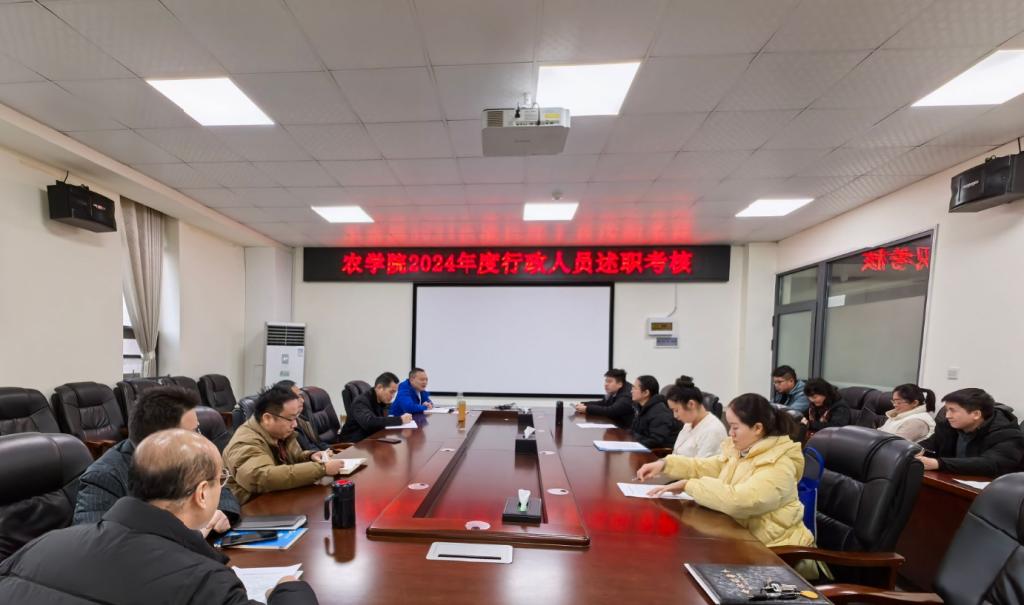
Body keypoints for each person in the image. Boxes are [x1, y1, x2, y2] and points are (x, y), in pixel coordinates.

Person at [0, 429, 318, 604]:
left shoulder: (38, 547)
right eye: (220, 481)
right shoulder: (205, 583)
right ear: (202, 494)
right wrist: (290, 590)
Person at [637, 393, 814, 552]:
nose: (730, 433)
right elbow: (706, 466)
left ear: (757, 428)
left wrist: (689, 485)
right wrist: (665, 464)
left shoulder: (779, 464)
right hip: (741, 539)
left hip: (776, 554)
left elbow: (742, 501)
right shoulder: (743, 452)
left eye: (735, 427)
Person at [73, 385, 240, 531]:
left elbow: (219, 484)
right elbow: (95, 539)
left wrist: (221, 512)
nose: (200, 438)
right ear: (162, 439)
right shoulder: (103, 477)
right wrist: (181, 534)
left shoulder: (187, 456)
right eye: (193, 432)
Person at [223, 386, 346, 504]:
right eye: (291, 419)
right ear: (267, 418)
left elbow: (293, 458)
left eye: (296, 418)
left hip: (277, 497)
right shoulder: (245, 442)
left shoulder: (280, 433)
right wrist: (322, 469)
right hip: (251, 507)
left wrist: (310, 456)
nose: (295, 424)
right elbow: (262, 477)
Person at [916, 388, 1024, 477]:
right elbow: (929, 445)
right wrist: (914, 451)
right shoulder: (947, 426)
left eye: (953, 410)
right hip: (951, 481)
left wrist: (939, 464)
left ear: (976, 414)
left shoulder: (1008, 434)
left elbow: (991, 464)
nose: (947, 415)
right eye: (946, 410)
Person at [339, 372, 412, 442]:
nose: (393, 396)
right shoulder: (361, 402)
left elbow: (388, 410)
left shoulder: (380, 401)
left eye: (394, 393)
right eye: (391, 392)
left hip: (370, 439)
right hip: (353, 444)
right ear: (379, 387)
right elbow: (370, 422)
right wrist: (400, 420)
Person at [666, 377, 726, 458]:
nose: (675, 416)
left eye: (676, 410)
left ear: (691, 404)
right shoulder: (689, 423)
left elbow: (701, 465)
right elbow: (676, 453)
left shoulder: (712, 430)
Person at [273, 380, 329, 451]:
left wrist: (330, 451)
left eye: (301, 396)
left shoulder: (303, 419)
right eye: (296, 398)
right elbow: (298, 454)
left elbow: (318, 443)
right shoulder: (285, 427)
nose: (302, 400)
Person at [630, 375, 681, 449]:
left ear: (646, 393)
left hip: (657, 452)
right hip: (642, 447)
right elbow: (634, 431)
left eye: (635, 388)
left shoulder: (660, 412)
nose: (631, 391)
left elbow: (655, 441)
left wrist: (632, 442)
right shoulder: (640, 407)